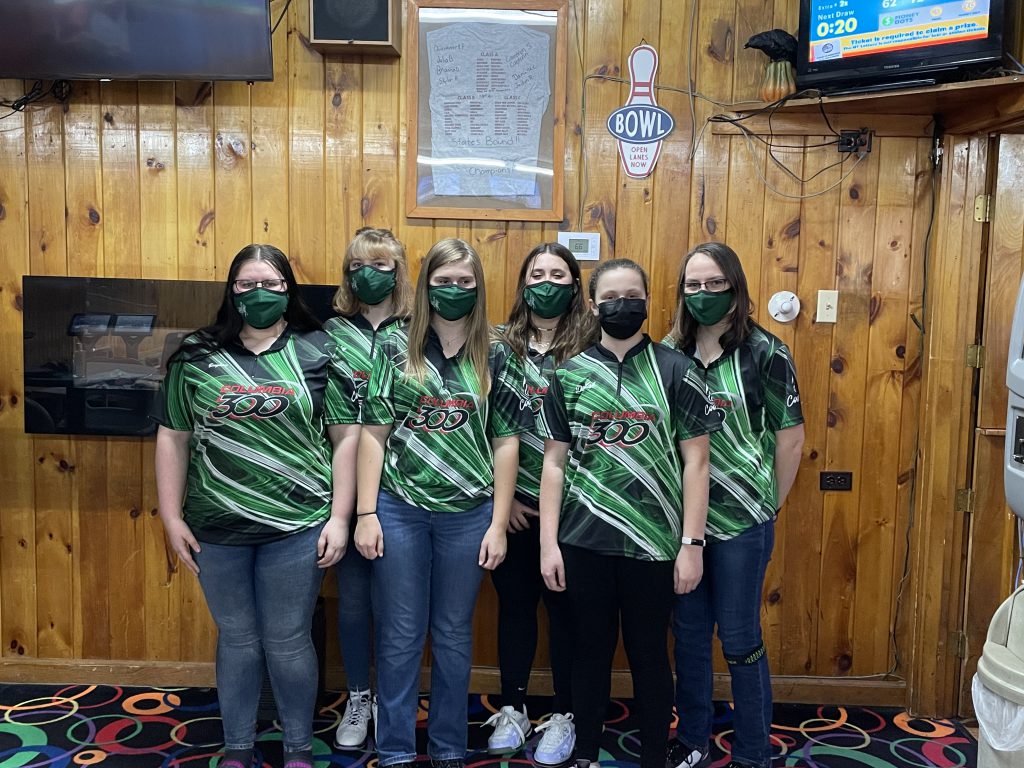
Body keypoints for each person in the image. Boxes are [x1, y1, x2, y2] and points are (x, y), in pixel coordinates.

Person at [154, 244, 359, 768]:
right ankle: (239, 747)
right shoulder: (196, 353)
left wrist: (340, 516)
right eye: (247, 284)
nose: (259, 293)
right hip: (214, 527)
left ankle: (296, 750)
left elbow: (345, 439)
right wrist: (171, 516)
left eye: (271, 283)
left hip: (297, 524)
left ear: (288, 290)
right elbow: (173, 437)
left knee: (289, 642)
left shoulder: (319, 350)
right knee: (239, 640)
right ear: (232, 290)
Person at [354, 237, 533, 768]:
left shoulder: (498, 353)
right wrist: (366, 512)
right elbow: (372, 435)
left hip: (470, 513)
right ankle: (394, 751)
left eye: (464, 281)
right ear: (425, 283)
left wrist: (499, 524)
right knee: (401, 632)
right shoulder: (392, 348)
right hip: (399, 507)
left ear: (478, 288)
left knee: (454, 634)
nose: (453, 289)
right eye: (443, 280)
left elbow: (506, 443)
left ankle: (450, 748)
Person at [538, 258, 720, 768]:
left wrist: (692, 545)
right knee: (589, 653)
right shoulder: (568, 373)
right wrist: (549, 544)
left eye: (633, 295)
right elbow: (553, 464)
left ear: (647, 301)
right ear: (593, 306)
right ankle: (587, 755)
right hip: (582, 541)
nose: (624, 305)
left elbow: (697, 463)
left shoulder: (677, 370)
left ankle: (652, 760)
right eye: (612, 297)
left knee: (649, 657)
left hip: (655, 544)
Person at [663, 242, 805, 768]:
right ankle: (694, 738)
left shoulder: (767, 352)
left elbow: (790, 441)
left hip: (744, 520)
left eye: (714, 284)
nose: (703, 294)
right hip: (682, 524)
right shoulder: (667, 353)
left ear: (735, 288)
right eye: (693, 285)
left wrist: (769, 505)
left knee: (741, 636)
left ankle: (751, 751)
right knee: (690, 635)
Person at [485, 242, 594, 762]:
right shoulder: (497, 347)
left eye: (558, 274)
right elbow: (471, 425)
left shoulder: (594, 345)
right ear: (523, 283)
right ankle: (513, 708)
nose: (546, 283)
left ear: (575, 285)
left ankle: (566, 715)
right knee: (515, 610)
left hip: (576, 511)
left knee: (567, 613)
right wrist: (499, 503)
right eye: (537, 274)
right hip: (513, 506)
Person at [324, 227, 412, 749]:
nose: (369, 274)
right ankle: (359, 695)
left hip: (403, 494)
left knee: (398, 608)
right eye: (359, 264)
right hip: (343, 490)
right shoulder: (329, 333)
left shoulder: (421, 330)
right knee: (353, 601)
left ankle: (393, 698)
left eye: (382, 265)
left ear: (400, 272)